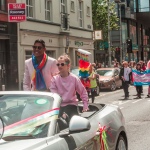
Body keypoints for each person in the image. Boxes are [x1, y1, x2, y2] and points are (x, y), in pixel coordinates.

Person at [50, 54, 89, 121]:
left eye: (62, 64)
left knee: (69, 118)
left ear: (68, 66)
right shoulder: (54, 79)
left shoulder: (74, 79)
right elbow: (54, 96)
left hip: (71, 105)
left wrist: (85, 106)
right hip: (59, 106)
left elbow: (83, 92)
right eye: (58, 64)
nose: (59, 66)